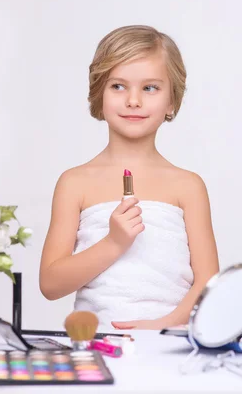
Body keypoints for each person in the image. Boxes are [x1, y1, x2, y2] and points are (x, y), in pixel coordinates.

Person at [39, 25, 220, 330]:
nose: (133, 100)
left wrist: (163, 326)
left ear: (172, 100)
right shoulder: (74, 183)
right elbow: (51, 284)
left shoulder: (188, 187)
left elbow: (207, 283)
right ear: (98, 94)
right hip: (98, 347)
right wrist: (113, 242)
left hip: (170, 346)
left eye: (150, 88)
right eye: (119, 86)